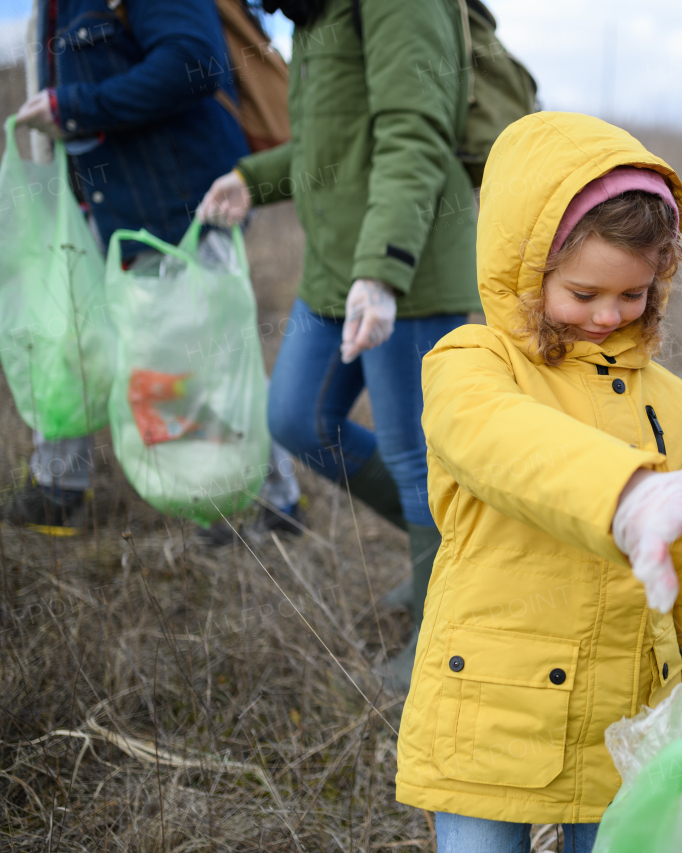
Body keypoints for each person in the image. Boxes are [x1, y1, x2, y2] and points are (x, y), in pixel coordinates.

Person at [392, 112, 682, 852]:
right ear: (526, 267)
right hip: (491, 706)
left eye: (633, 295)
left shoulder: (668, 399)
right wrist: (627, 496)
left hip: (624, 709)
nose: (608, 316)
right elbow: (501, 442)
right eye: (583, 294)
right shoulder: (472, 363)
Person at [199, 0, 483, 684]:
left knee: (416, 456)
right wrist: (252, 177)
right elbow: (337, 143)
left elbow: (413, 132)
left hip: (404, 268)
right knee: (296, 418)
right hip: (335, 266)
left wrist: (383, 271)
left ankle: (443, 627)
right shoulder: (311, 12)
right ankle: (450, 556)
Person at [6, 0, 300, 540]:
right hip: (104, 201)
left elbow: (192, 62)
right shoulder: (48, 10)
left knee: (209, 350)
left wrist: (72, 106)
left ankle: (273, 499)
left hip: (179, 197)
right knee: (95, 338)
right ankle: (61, 484)